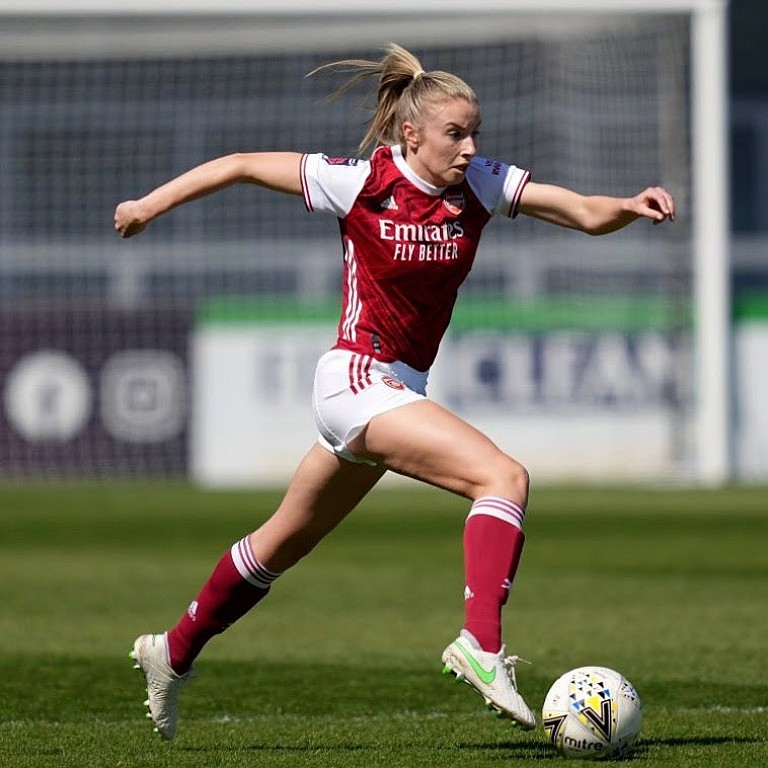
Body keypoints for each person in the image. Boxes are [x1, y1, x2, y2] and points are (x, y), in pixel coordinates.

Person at [115, 43, 675, 740]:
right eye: (456, 134)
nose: (470, 147)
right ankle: (480, 643)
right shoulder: (361, 180)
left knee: (278, 546)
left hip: (395, 387)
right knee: (502, 477)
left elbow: (584, 212)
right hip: (354, 378)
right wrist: (148, 206)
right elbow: (238, 166)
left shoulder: (481, 185)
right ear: (411, 133)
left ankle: (170, 651)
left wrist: (627, 205)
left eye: (475, 133)